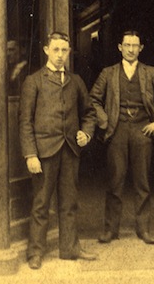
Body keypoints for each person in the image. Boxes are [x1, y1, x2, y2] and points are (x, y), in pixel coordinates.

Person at [89, 30, 154, 245]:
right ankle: (111, 230)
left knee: (142, 182)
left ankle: (143, 229)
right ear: (120, 47)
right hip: (117, 131)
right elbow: (93, 100)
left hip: (142, 130)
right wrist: (105, 122)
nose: (131, 49)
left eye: (135, 45)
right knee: (115, 181)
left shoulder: (150, 73)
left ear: (141, 48)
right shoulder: (108, 73)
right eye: (127, 45)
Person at [19, 31, 98, 269]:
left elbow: (89, 113)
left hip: (70, 151)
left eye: (64, 50)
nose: (60, 55)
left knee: (70, 202)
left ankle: (70, 248)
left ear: (69, 52)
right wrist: (30, 154)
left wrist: (86, 132)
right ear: (46, 51)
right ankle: (35, 252)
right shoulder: (34, 81)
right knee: (41, 204)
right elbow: (25, 121)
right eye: (56, 50)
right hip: (44, 153)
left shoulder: (76, 82)